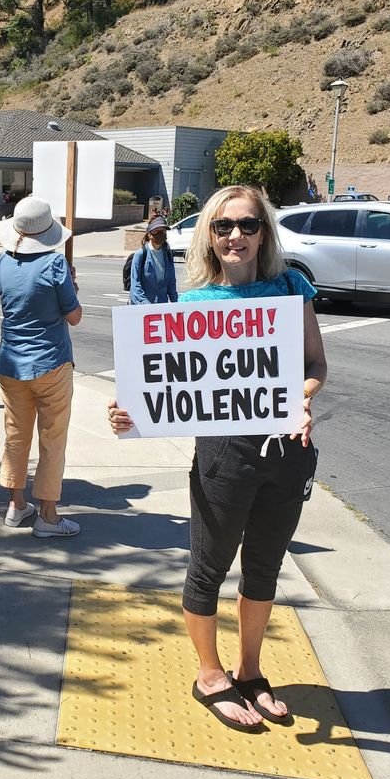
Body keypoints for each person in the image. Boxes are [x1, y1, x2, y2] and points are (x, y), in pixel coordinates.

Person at [108, 184, 327, 731]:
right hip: (224, 456)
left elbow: (315, 364)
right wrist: (129, 413)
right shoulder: (191, 306)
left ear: (264, 232)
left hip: (287, 453)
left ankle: (249, 672)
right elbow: (165, 392)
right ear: (209, 234)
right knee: (208, 569)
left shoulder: (291, 288)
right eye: (223, 226)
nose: (236, 236)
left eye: (248, 225)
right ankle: (210, 675)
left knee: (264, 569)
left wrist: (300, 398)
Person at [0, 196, 83, 538]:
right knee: (52, 438)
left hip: (10, 361)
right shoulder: (55, 265)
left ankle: (16, 505)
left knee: (16, 434)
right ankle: (48, 514)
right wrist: (71, 288)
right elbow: (74, 316)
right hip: (50, 362)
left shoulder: (2, 262)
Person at [128, 215, 178, 305]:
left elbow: (171, 282)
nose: (160, 234)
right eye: (156, 230)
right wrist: (146, 305)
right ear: (149, 234)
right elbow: (135, 285)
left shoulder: (168, 254)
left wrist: (176, 303)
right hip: (142, 307)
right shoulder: (141, 254)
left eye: (162, 230)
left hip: (161, 305)